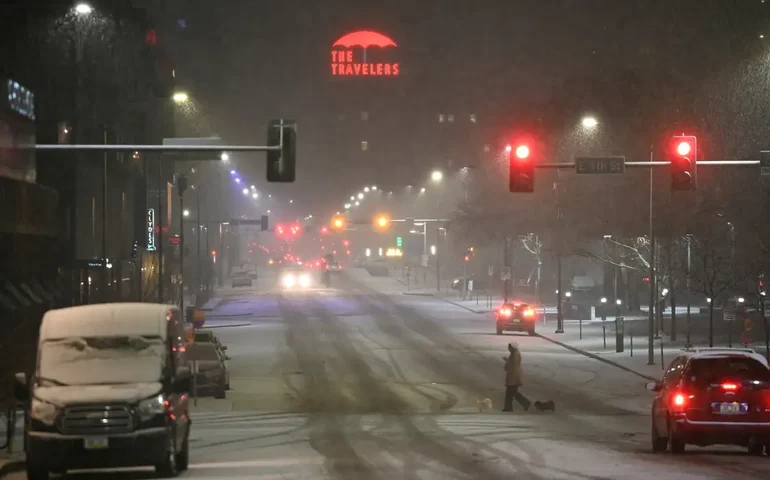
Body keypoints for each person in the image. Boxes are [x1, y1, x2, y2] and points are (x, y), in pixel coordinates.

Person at [503, 342, 531, 412]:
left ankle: (510, 407)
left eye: (510, 347)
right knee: (512, 393)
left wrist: (507, 361)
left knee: (511, 393)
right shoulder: (513, 353)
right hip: (512, 377)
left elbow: (513, 364)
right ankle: (510, 407)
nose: (509, 348)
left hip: (514, 377)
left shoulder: (515, 354)